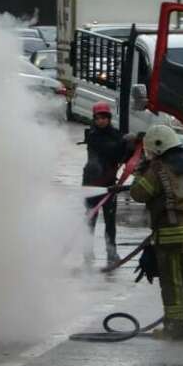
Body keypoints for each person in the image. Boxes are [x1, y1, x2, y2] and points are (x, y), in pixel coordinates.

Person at [129, 124, 183, 340]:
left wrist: (140, 170)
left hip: (171, 235)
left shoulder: (158, 169)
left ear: (157, 147)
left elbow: (139, 193)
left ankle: (174, 327)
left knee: (172, 283)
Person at [82, 101, 127, 266]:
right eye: (98, 118)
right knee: (90, 219)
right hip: (92, 184)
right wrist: (124, 143)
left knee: (110, 221)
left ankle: (111, 253)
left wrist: (133, 143)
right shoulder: (92, 136)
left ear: (109, 118)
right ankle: (87, 253)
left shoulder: (116, 134)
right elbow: (110, 150)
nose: (101, 121)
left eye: (104, 118)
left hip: (109, 185)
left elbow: (123, 155)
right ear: (94, 119)